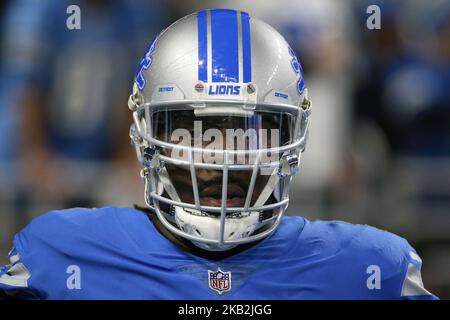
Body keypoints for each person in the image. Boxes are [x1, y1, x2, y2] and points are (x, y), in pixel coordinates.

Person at [0, 9, 438, 300]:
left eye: (249, 133)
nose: (221, 162)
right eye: (198, 131)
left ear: (293, 138)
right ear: (145, 134)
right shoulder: (62, 254)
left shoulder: (371, 268)